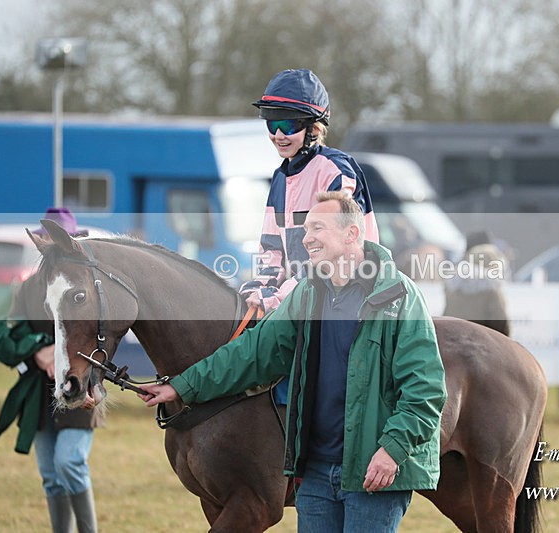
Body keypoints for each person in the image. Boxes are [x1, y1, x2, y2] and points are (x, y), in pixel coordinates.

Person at [140, 193, 446, 532]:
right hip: (314, 473)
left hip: (371, 475)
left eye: (318, 228)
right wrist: (181, 386)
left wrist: (392, 450)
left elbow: (426, 389)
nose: (306, 238)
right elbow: (253, 353)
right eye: (305, 229)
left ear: (352, 235)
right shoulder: (308, 293)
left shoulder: (399, 296)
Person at [239, 68, 379, 403]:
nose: (278, 135)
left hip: (347, 289)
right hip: (300, 295)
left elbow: (334, 255)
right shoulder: (279, 177)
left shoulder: (336, 171)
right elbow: (272, 249)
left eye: (288, 126)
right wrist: (261, 288)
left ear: (314, 128)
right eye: (272, 125)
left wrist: (280, 297)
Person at [0, 207, 102, 533]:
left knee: (69, 462)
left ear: (73, 243)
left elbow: (103, 338)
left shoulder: (91, 284)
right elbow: (2, 336)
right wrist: (38, 351)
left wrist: (95, 385)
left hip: (80, 386)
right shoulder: (28, 287)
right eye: (48, 244)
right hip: (40, 394)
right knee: (50, 475)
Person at [443, 229, 511, 335]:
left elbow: (446, 315)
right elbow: (500, 321)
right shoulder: (492, 286)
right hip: (483, 344)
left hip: (451, 338)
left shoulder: (452, 282)